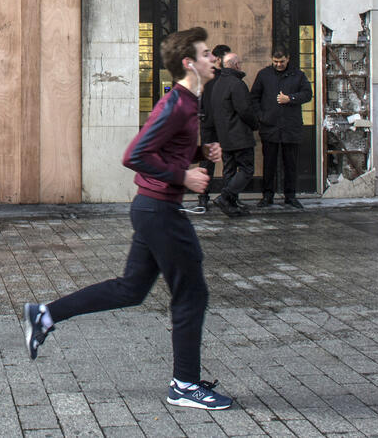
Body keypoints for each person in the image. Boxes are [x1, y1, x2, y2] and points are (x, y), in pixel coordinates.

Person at [23, 27, 234, 411]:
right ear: (189, 63)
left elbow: (165, 151)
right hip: (160, 211)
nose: (212, 59)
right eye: (206, 54)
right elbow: (134, 155)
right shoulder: (176, 104)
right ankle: (185, 385)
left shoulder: (188, 102)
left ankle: (45, 314)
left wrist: (200, 151)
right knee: (191, 294)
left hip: (153, 208)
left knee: (131, 289)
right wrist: (183, 176)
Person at [251, 48, 312, 209]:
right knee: (269, 163)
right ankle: (267, 196)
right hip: (270, 126)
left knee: (290, 164)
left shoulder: (298, 75)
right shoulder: (264, 75)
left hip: (291, 127)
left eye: (282, 62)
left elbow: (307, 94)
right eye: (276, 62)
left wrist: (290, 98)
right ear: (271, 59)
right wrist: (261, 116)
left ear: (288, 58)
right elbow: (254, 97)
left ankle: (290, 196)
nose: (278, 64)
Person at [205, 52, 259, 219]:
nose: (240, 66)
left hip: (224, 135)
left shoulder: (217, 84)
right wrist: (255, 124)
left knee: (229, 170)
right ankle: (225, 196)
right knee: (246, 169)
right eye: (239, 63)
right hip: (239, 135)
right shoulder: (237, 84)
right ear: (236, 65)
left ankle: (230, 204)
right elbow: (245, 110)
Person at [197, 44, 230, 210]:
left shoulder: (230, 76)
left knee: (228, 161)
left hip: (226, 125)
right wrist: (201, 114)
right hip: (209, 124)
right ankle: (203, 196)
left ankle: (228, 196)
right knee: (207, 162)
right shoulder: (207, 75)